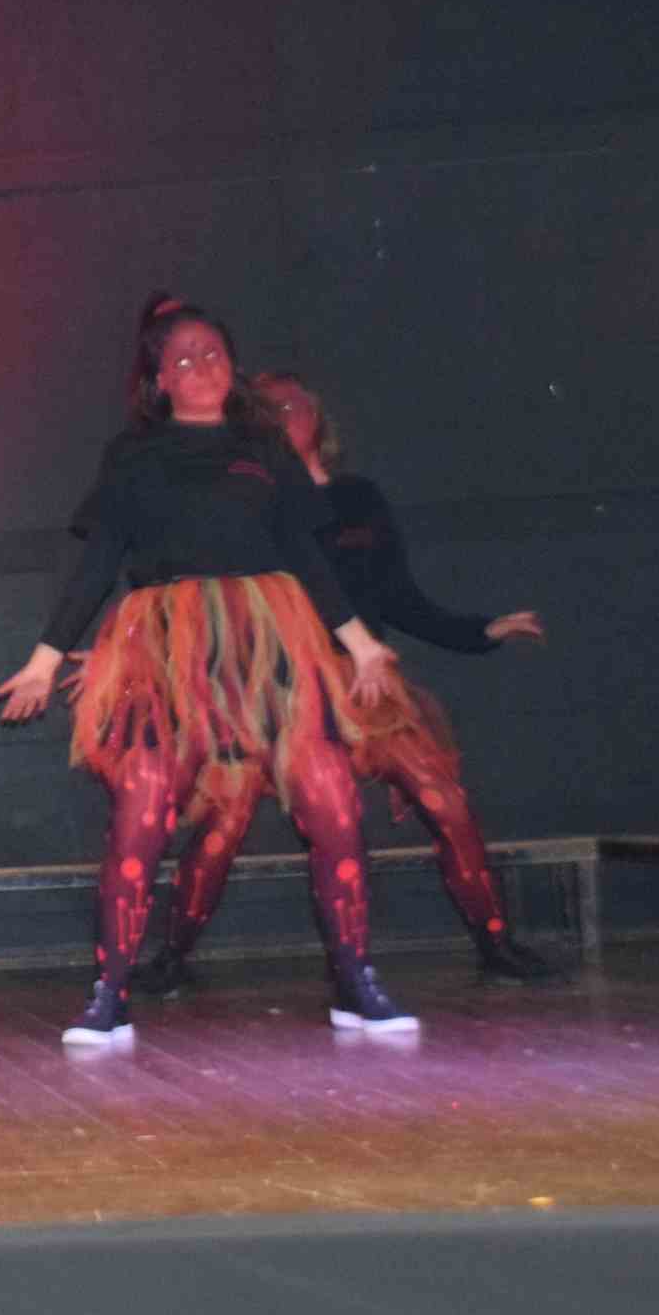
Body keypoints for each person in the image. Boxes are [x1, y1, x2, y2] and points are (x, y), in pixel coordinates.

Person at [0, 296, 417, 1046]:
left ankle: (356, 981)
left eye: (213, 352)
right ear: (158, 379)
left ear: (233, 364)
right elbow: (100, 560)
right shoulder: (135, 454)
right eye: (183, 358)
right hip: (168, 644)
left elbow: (305, 553)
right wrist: (43, 660)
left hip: (269, 640)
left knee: (331, 801)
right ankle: (110, 991)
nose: (201, 366)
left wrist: (359, 643)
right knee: (144, 804)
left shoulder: (263, 443)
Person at [138, 372, 555, 991]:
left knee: (445, 800)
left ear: (317, 414)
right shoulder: (245, 501)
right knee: (226, 818)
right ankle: (171, 958)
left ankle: (496, 944)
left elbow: (399, 596)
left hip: (362, 683)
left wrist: (480, 631)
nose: (281, 410)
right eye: (266, 405)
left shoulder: (358, 498)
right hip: (275, 689)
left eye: (292, 400)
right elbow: (202, 601)